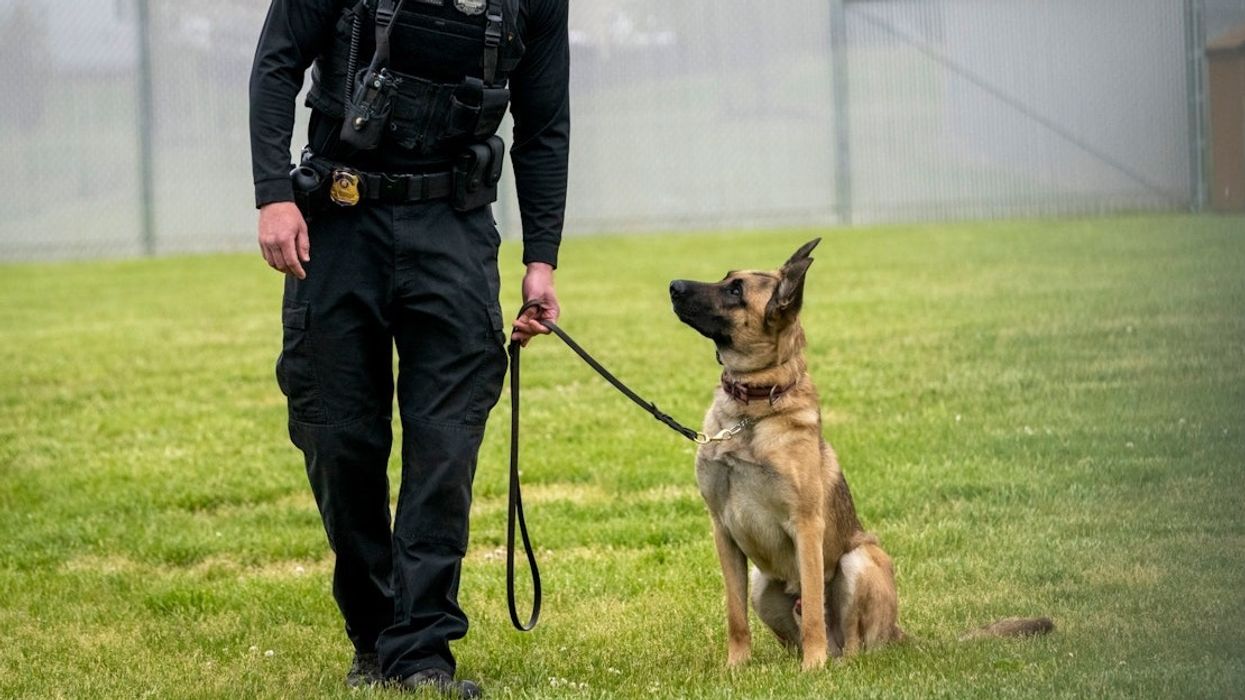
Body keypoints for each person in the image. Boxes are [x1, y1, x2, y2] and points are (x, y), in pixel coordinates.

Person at [248, 0, 568, 695]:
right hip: (335, 222)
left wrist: (540, 258)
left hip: (452, 225)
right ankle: (373, 631)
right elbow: (276, 63)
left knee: (444, 450)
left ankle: (421, 652)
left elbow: (544, 122)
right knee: (337, 439)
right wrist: (272, 195)